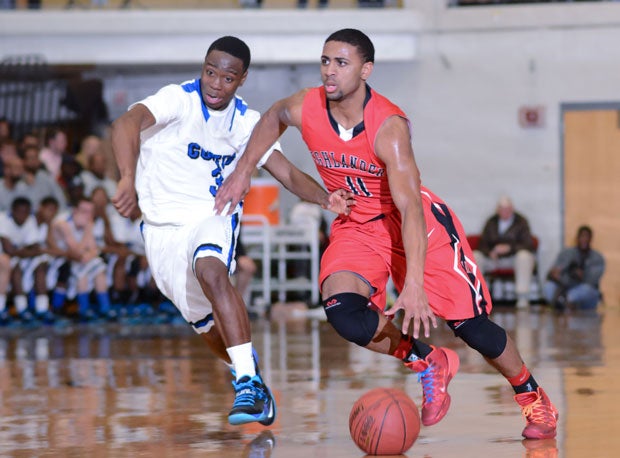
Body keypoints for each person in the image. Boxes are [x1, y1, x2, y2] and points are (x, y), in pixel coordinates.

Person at [214, 28, 558, 440]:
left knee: (472, 328)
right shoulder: (305, 106)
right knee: (344, 313)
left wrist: (413, 284)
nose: (330, 71)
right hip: (359, 226)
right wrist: (242, 172)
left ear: (366, 69)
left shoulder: (387, 127)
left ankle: (533, 398)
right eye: (325, 61)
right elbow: (271, 119)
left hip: (416, 225)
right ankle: (427, 360)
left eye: (342, 63)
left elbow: (411, 208)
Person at [110, 36, 352, 427]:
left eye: (227, 77)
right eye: (210, 72)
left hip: (213, 214)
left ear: (241, 80)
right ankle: (249, 372)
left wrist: (326, 200)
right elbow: (126, 123)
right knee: (207, 328)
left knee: (211, 271)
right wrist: (125, 177)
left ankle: (245, 383)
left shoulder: (246, 122)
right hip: (161, 230)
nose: (215, 84)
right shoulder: (177, 99)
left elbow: (286, 172)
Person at [473, 195, 536, 308]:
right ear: (498, 210)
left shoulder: (521, 222)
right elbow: (482, 244)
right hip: (493, 259)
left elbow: (528, 244)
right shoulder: (491, 222)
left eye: (507, 209)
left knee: (524, 256)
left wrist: (509, 248)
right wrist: (489, 252)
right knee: (476, 255)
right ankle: (477, 295)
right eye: (502, 209)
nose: (505, 212)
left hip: (513, 259)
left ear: (512, 208)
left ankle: (522, 297)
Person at [544, 225, 605, 310]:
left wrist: (579, 275)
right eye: (582, 236)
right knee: (548, 286)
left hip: (581, 291)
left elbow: (591, 281)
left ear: (591, 239)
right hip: (564, 287)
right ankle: (564, 303)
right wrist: (559, 273)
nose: (584, 239)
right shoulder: (566, 253)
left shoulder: (597, 258)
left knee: (586, 290)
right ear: (577, 238)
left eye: (586, 236)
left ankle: (565, 301)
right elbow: (554, 272)